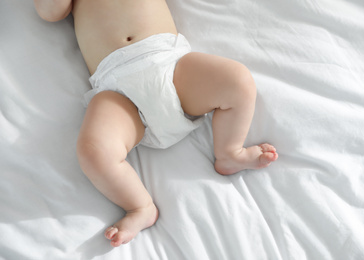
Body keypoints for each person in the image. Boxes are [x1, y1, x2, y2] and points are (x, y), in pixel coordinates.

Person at [34, 0, 278, 247]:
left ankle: (229, 152)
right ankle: (140, 207)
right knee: (94, 151)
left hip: (169, 64)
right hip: (119, 91)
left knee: (237, 80)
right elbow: (50, 12)